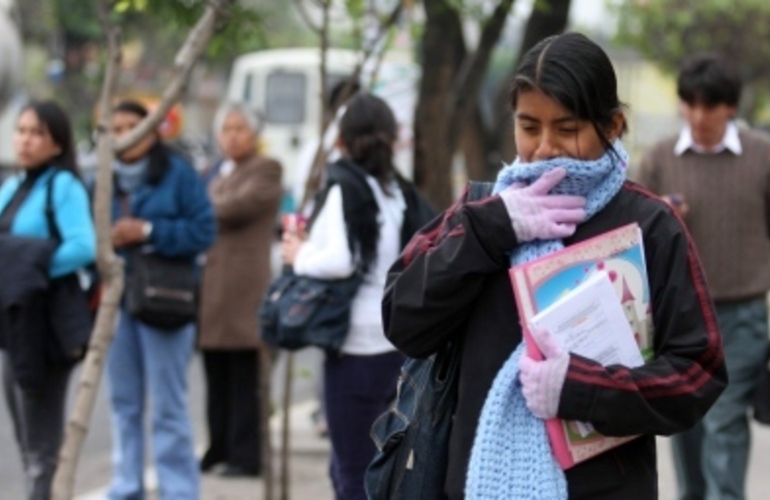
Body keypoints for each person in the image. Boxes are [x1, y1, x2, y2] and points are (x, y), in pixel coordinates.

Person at [382, 32, 728, 499]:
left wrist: (583, 390)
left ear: (613, 126)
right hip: (476, 483)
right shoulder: (481, 213)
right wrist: (489, 233)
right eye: (529, 127)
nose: (545, 147)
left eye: (567, 129)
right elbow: (403, 321)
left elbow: (697, 373)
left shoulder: (649, 225)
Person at [281, 92, 431, 500]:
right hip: (394, 344)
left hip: (355, 349)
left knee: (350, 471)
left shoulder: (343, 185)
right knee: (382, 466)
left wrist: (299, 256)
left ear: (344, 139)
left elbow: (340, 260)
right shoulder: (397, 191)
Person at [637, 52, 770, 500]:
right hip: (679, 318)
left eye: (708, 106)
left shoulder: (763, 157)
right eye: (689, 104)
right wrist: (662, 219)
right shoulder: (657, 161)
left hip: (742, 317)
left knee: (725, 424)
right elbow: (630, 241)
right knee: (686, 424)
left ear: (729, 106)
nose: (697, 116)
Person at [105, 99, 216, 499]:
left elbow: (203, 232)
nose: (123, 136)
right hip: (116, 304)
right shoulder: (101, 177)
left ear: (152, 130)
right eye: (114, 129)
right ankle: (126, 486)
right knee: (123, 404)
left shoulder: (179, 174)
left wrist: (149, 231)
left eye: (131, 127)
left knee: (169, 406)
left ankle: (178, 490)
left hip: (165, 303)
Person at [0, 100, 96, 499]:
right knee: (24, 436)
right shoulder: (13, 186)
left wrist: (31, 270)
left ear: (57, 143)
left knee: (42, 444)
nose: (26, 141)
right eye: (21, 131)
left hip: (45, 323)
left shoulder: (64, 187)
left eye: (37, 133)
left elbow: (83, 246)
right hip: (15, 323)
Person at [197, 103, 283, 477]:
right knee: (215, 371)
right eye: (226, 129)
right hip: (213, 287)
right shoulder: (214, 170)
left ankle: (247, 456)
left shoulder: (266, 169)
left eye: (239, 128)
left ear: (254, 134)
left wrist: (199, 205)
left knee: (244, 375)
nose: (231, 136)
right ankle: (219, 447)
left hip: (245, 288)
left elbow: (233, 208)